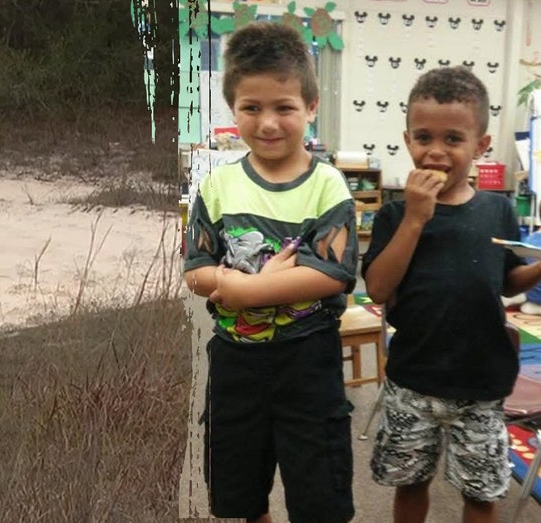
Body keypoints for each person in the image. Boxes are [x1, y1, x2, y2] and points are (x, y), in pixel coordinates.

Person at [183, 21, 358, 523]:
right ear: (232, 108)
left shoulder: (328, 186)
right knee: (239, 494)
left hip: (309, 365)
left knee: (320, 498)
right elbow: (195, 270)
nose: (268, 123)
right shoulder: (217, 187)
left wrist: (245, 289)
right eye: (251, 108)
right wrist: (222, 284)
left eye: (284, 107)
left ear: (311, 106)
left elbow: (331, 273)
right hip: (236, 367)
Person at [362, 65, 541, 523]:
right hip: (413, 379)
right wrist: (416, 219)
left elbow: (506, 281)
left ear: (480, 146)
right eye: (423, 138)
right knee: (410, 483)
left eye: (453, 140)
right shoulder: (395, 215)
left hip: (481, 384)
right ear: (407, 140)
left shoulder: (498, 210)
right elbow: (379, 288)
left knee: (481, 496)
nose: (436, 152)